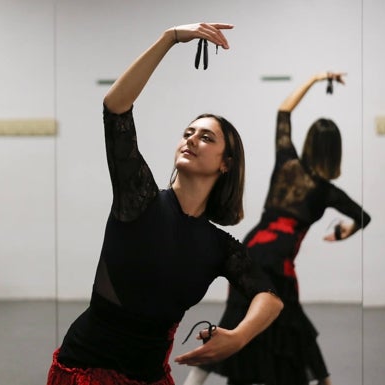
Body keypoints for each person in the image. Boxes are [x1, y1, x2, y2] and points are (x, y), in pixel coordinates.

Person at [46, 22, 284, 385]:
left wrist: (237, 337)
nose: (191, 140)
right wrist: (170, 37)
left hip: (152, 377)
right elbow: (115, 107)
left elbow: (269, 297)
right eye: (187, 133)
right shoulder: (138, 198)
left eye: (206, 137)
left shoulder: (219, 246)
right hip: (88, 372)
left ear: (226, 164)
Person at [183, 72, 372, 385]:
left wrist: (316, 79)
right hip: (278, 263)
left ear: (309, 144)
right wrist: (343, 233)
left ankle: (194, 380)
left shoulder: (287, 162)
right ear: (335, 151)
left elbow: (284, 111)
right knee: (292, 326)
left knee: (236, 321)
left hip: (251, 247)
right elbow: (363, 217)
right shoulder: (327, 192)